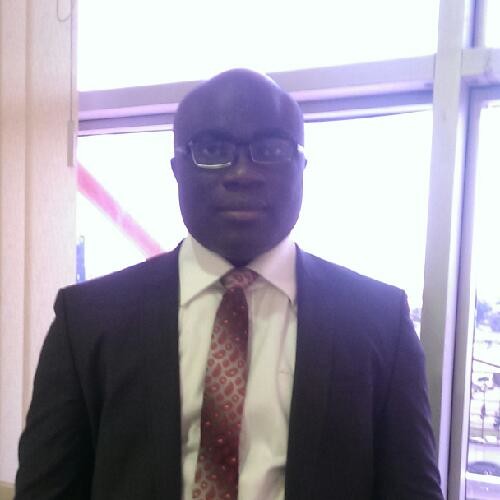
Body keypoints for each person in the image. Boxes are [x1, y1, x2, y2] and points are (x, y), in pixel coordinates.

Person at [15, 69, 444, 500]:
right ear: (177, 169)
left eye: (271, 149)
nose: (242, 173)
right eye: (212, 149)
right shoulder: (88, 321)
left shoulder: (379, 323)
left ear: (301, 167)